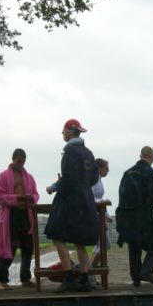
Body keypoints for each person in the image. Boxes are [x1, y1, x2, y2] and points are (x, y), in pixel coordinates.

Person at [44, 118, 100, 292]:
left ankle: (68, 276)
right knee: (79, 240)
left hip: (70, 200)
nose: (63, 134)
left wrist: (54, 187)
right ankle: (85, 278)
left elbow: (68, 178)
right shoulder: (88, 153)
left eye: (63, 132)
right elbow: (93, 178)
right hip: (86, 199)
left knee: (56, 235)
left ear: (69, 132)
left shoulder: (69, 151)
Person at [116, 146, 153, 287]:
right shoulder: (150, 172)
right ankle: (146, 272)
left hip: (126, 217)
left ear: (140, 155)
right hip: (145, 217)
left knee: (134, 245)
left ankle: (136, 277)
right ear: (151, 157)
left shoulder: (127, 173)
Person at [0, 148, 39, 289]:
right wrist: (17, 198)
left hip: (26, 214)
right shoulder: (2, 177)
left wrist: (31, 198)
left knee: (27, 247)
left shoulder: (30, 178)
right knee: (9, 248)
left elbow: (36, 194)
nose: (21, 164)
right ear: (13, 160)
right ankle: (2, 281)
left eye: (23, 162)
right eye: (19, 161)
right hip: (10, 216)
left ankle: (25, 278)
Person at [90, 158, 112, 268]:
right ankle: (89, 272)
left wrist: (107, 215)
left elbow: (98, 198)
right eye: (106, 168)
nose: (108, 171)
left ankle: (89, 272)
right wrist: (104, 202)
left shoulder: (97, 179)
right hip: (95, 215)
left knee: (101, 244)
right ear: (99, 168)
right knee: (105, 244)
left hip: (99, 214)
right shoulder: (93, 180)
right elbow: (90, 198)